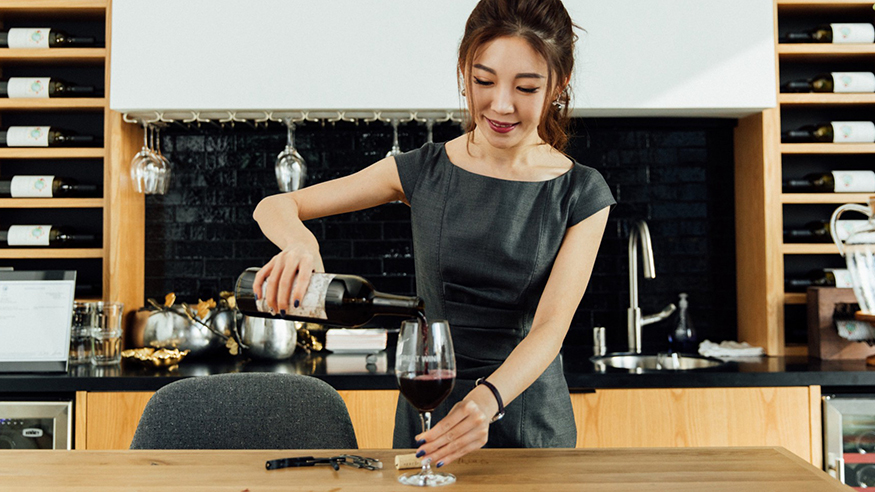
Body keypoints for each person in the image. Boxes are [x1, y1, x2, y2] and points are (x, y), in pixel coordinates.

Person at [252, 0, 614, 467]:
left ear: (558, 85)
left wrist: (487, 402)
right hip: (429, 406)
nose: (501, 104)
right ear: (463, 71)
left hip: (527, 416)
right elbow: (275, 205)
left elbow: (550, 328)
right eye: (483, 81)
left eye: (526, 87)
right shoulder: (424, 170)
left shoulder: (581, 192)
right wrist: (301, 242)